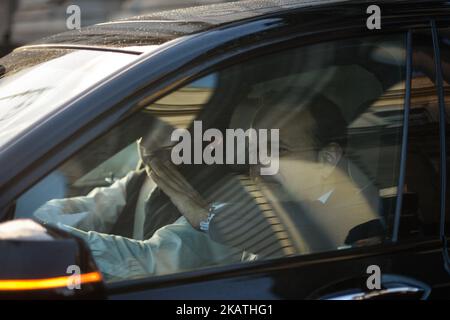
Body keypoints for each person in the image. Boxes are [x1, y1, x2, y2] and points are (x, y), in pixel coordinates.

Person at [34, 94, 382, 281]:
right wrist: (36, 223)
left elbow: (155, 260)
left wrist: (43, 242)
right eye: (256, 150)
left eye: (279, 152)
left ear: (328, 157)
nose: (260, 165)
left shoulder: (351, 221)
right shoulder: (262, 197)